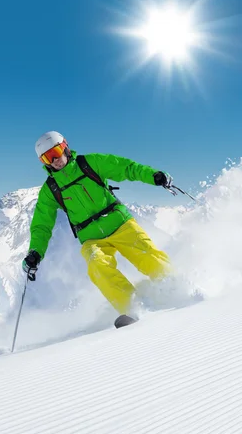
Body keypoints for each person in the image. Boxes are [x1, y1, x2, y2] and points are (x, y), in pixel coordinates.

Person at [22, 131, 172, 328]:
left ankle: (173, 286)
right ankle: (132, 306)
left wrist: (153, 176)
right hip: (91, 237)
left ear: (65, 146)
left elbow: (125, 168)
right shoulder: (50, 189)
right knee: (96, 265)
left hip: (119, 223)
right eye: (47, 158)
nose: (55, 160)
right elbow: (42, 224)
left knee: (146, 253)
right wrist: (35, 253)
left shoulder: (90, 163)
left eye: (56, 152)